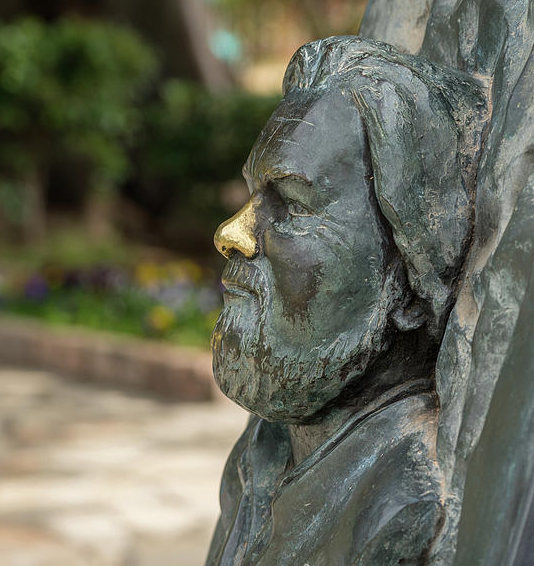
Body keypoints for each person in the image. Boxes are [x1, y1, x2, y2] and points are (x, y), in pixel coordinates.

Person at [206, 36, 488, 566]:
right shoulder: (262, 454)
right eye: (252, 194)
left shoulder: (400, 516)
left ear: (406, 279)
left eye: (290, 204)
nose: (233, 233)